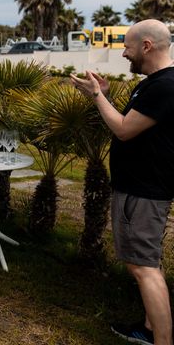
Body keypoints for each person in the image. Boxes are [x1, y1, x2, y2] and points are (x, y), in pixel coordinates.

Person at [71, 19, 174, 345]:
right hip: (139, 188)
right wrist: (105, 94)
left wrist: (95, 97)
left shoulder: (165, 86)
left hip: (144, 191)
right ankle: (148, 329)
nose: (124, 54)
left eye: (128, 47)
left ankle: (162, 340)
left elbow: (124, 129)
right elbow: (133, 123)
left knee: (144, 268)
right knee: (144, 264)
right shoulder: (152, 83)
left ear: (147, 46)